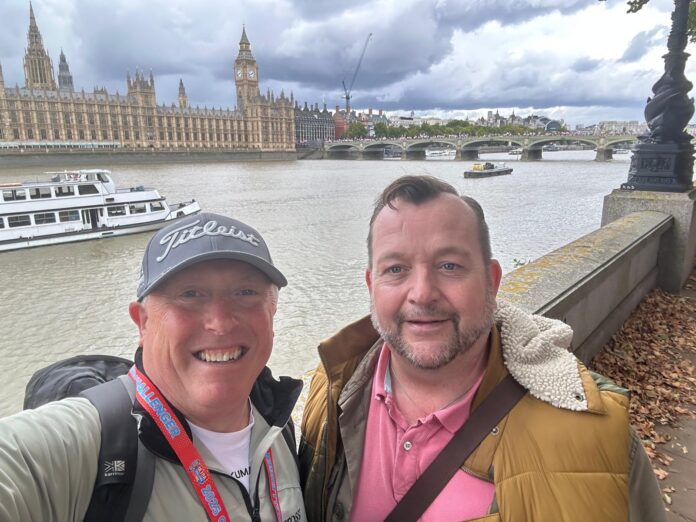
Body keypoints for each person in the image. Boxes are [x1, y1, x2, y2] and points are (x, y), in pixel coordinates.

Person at [299, 175, 664, 522]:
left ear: (492, 282)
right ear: (371, 286)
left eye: (449, 265)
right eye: (396, 269)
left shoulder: (596, 437)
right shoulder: (333, 392)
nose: (422, 293)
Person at [0, 212, 306, 521]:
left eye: (245, 293)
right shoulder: (87, 446)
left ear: (272, 312)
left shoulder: (277, 424)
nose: (220, 322)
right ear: (142, 322)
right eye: (190, 294)